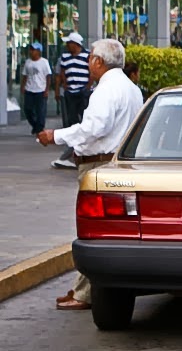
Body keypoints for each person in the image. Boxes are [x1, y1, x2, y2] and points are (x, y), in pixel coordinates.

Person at [37, 39, 144, 310]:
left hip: (100, 166)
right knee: (106, 231)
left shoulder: (107, 90)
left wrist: (56, 135)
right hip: (116, 164)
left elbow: (93, 128)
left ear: (99, 61)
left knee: (93, 231)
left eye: (90, 59)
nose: (87, 64)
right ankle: (85, 289)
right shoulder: (130, 88)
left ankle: (86, 293)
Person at [52, 32, 91, 169]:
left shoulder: (87, 56)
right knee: (71, 119)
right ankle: (74, 145)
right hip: (70, 92)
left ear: (76, 44)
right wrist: (64, 85)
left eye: (69, 43)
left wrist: (87, 87)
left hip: (83, 91)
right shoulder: (65, 57)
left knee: (85, 118)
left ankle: (82, 146)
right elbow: (62, 72)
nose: (67, 45)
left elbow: (91, 71)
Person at [21, 42, 51, 135]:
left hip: (40, 90)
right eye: (31, 49)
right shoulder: (28, 62)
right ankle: (35, 125)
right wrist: (23, 86)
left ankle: (39, 128)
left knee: (40, 111)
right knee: (27, 109)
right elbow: (25, 75)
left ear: (38, 51)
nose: (31, 52)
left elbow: (48, 76)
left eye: (33, 50)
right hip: (29, 89)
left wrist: (47, 89)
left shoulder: (44, 62)